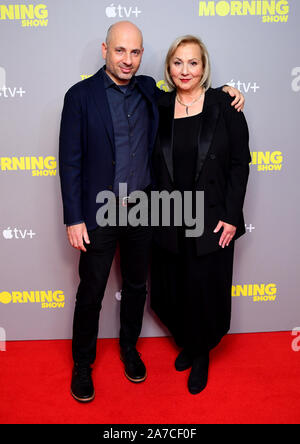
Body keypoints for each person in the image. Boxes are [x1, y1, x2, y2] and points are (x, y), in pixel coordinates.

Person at [59, 21, 245, 403]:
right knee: (92, 290)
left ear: (143, 56)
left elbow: (202, 108)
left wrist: (229, 92)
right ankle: (82, 364)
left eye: (136, 52)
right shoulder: (80, 96)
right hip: (101, 210)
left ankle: (129, 350)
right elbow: (70, 162)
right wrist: (73, 218)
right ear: (105, 50)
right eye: (120, 51)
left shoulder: (149, 91)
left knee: (137, 287)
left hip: (144, 208)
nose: (128, 60)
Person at [150, 35, 251, 395]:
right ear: (168, 67)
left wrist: (232, 215)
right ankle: (187, 343)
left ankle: (202, 351)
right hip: (169, 216)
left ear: (204, 67)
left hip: (211, 217)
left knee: (206, 287)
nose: (185, 70)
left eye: (193, 63)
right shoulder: (158, 105)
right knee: (174, 285)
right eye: (178, 63)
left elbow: (240, 165)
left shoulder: (224, 105)